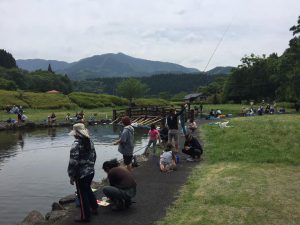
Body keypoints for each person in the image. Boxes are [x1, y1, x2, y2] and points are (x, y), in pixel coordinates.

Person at [67, 123, 98, 222]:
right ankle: (94, 208)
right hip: (90, 172)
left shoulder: (76, 144)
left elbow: (73, 162)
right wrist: (91, 167)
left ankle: (85, 216)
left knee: (82, 194)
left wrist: (71, 176)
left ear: (76, 133)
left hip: (81, 175)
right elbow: (94, 156)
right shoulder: (90, 141)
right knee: (87, 190)